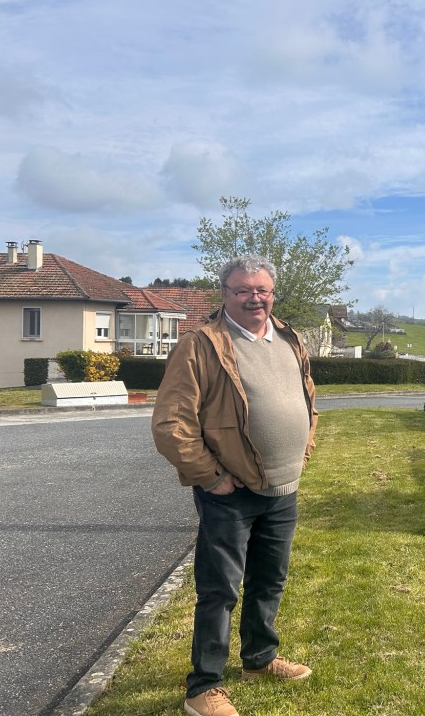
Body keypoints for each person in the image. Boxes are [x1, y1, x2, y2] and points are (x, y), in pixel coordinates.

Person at [152, 254, 318, 716]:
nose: (253, 298)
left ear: (272, 294)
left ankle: (259, 660)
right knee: (220, 590)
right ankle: (203, 687)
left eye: (261, 290)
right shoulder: (201, 345)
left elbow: (307, 398)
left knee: (269, 580)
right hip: (230, 493)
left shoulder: (289, 338)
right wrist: (211, 476)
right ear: (224, 294)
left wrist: (302, 449)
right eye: (242, 290)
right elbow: (171, 423)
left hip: (283, 489)